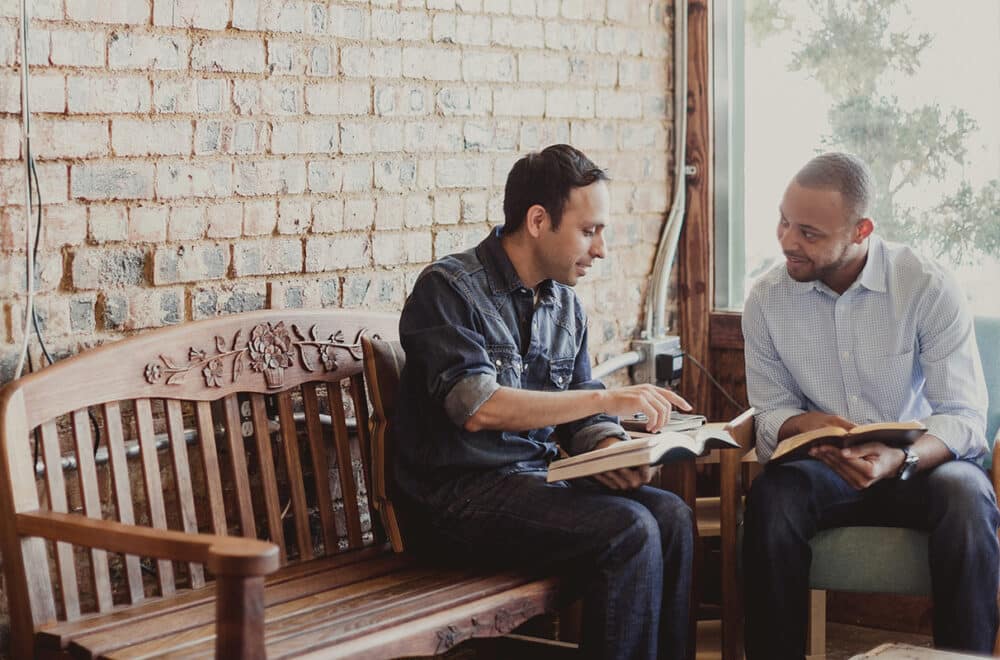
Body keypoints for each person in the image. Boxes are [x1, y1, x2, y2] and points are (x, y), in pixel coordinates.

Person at [392, 144, 695, 659]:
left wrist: (611, 451)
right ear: (537, 220)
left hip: (534, 486)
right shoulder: (448, 289)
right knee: (629, 529)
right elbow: (478, 407)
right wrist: (608, 400)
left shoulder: (563, 304)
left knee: (671, 517)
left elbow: (585, 416)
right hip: (456, 501)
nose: (600, 249)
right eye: (589, 230)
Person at [741, 152, 1000, 658]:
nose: (788, 241)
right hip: (825, 467)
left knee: (969, 499)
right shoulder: (768, 298)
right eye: (783, 221)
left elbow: (964, 414)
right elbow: (769, 410)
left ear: (861, 231)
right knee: (772, 501)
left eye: (809, 233)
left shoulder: (925, 285)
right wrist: (802, 423)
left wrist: (901, 458)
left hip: (922, 466)